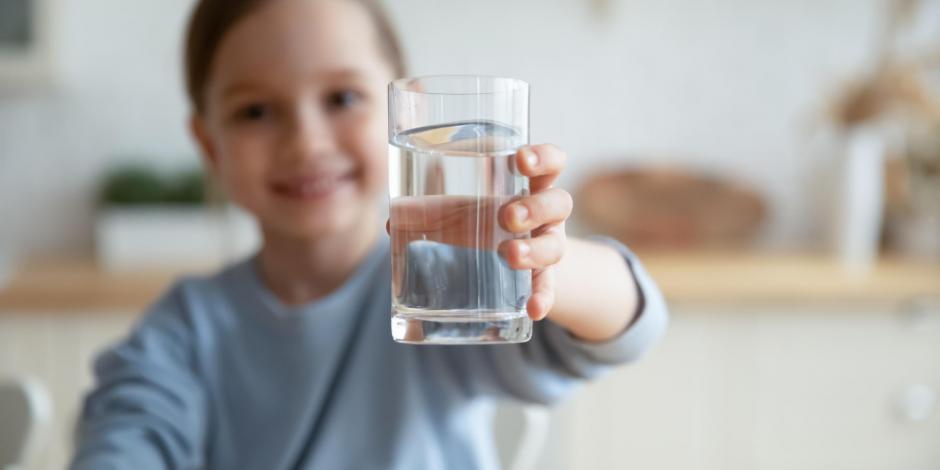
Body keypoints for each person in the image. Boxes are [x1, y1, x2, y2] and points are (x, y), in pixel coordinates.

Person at [69, 0, 668, 468]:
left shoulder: (446, 285)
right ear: (209, 146)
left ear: (402, 110)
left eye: (343, 98)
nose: (306, 142)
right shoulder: (184, 333)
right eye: (255, 111)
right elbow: (127, 432)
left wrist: (549, 265)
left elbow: (630, 327)